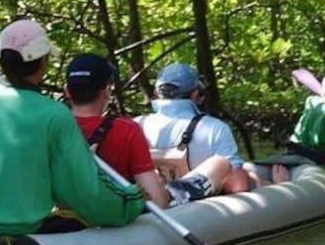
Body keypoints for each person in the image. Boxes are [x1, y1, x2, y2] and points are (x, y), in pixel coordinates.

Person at [0, 20, 144, 235]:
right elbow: (81, 189)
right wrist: (130, 201)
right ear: (42, 62)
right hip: (15, 226)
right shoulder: (55, 114)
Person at [65, 53, 235, 207]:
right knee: (220, 164)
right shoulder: (126, 129)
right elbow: (157, 200)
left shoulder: (51, 126)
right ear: (107, 92)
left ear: (67, 91)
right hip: (120, 209)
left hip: (69, 211)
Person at [135, 63, 258, 194]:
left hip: (153, 207)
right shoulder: (215, 128)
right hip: (202, 210)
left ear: (156, 92)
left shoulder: (136, 125)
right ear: (194, 94)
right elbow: (237, 186)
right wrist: (252, 177)